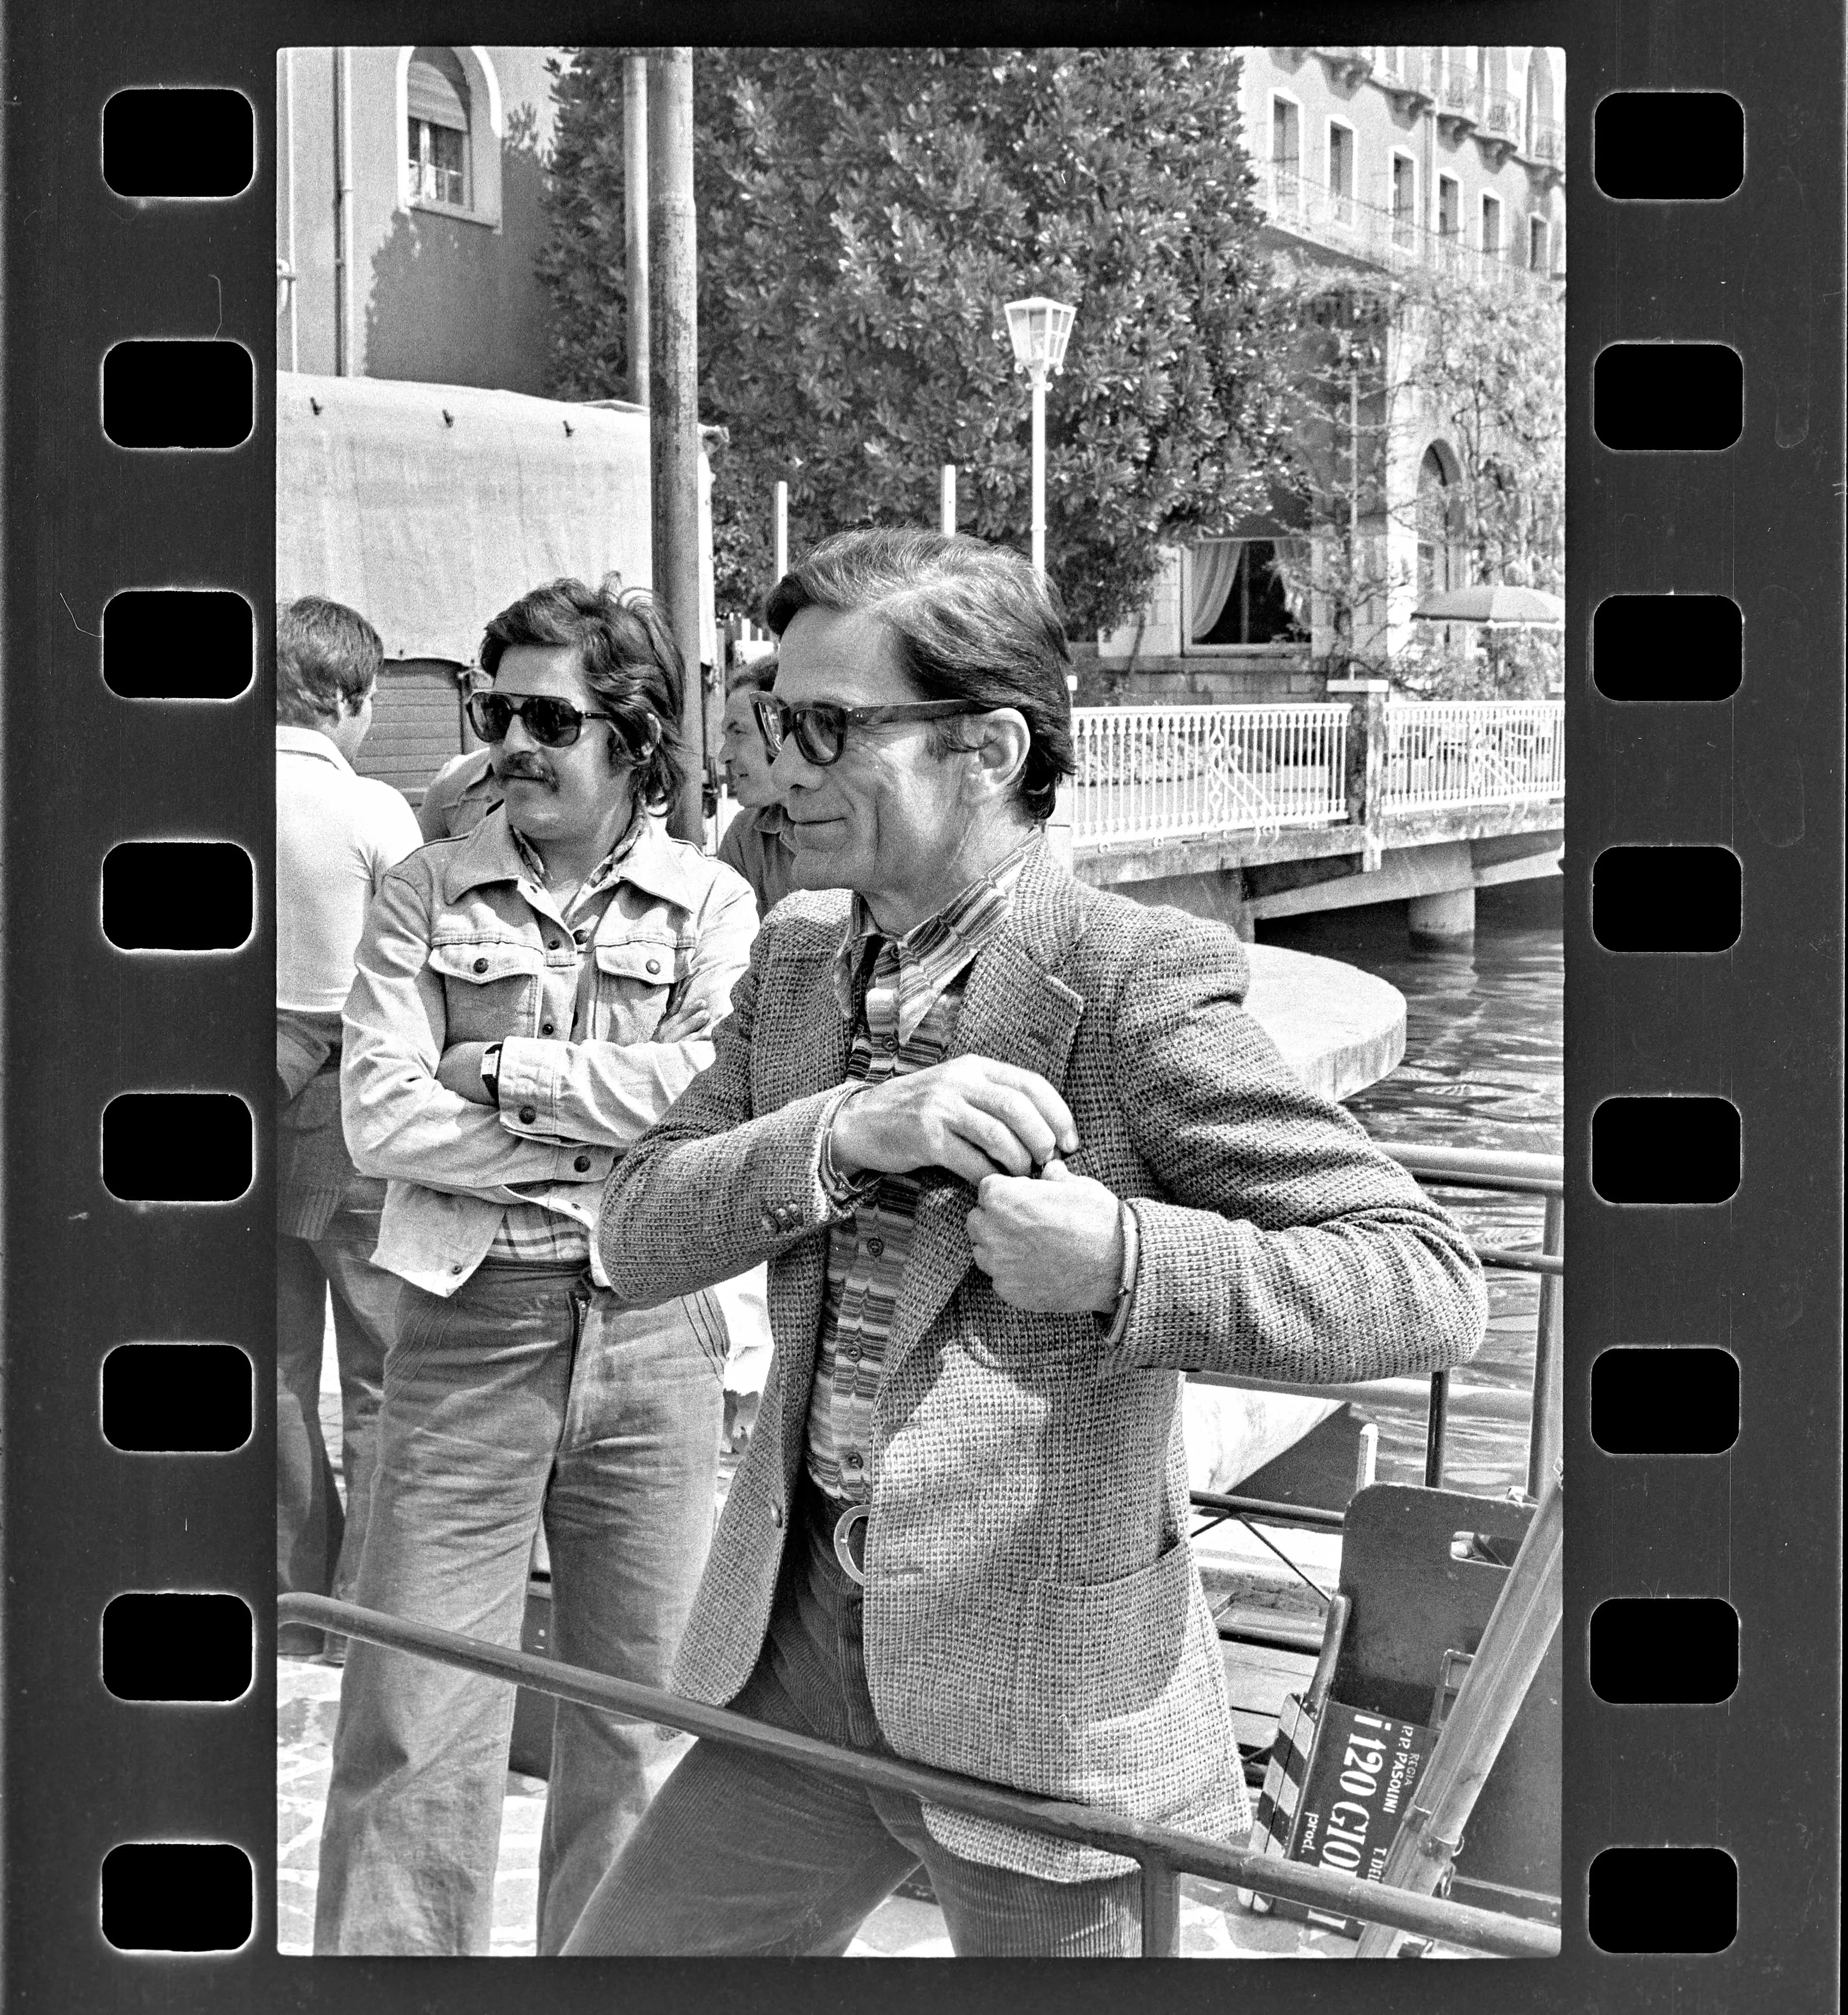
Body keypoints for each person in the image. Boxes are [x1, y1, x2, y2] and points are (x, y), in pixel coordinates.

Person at [563, 529, 1488, 1959]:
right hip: (798, 1662)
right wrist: (849, 1128)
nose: (768, 767)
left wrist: (1124, 1259)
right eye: (757, 717)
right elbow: (634, 1225)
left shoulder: (1126, 983)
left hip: (1045, 1713)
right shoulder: (804, 960)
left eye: (822, 726)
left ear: (987, 748)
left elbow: (1421, 1284)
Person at [314, 576, 758, 1957]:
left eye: (545, 714)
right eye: (489, 708)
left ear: (630, 730)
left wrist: (505, 1072)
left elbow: (721, 1108)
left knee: (640, 1722)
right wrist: (605, 1143)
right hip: (461, 1327)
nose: (510, 739)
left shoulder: (714, 903)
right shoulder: (419, 889)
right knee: (415, 1716)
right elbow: (380, 1115)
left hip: (658, 1331)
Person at [274, 596, 423, 1662]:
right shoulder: (374, 812)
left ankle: (289, 1593)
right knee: (381, 1372)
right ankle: (359, 1623)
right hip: (357, 1107)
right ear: (349, 698)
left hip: (245, 1107)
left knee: (274, 1369)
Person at [716, 653, 800, 913]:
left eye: (738, 732)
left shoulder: (853, 822)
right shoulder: (745, 838)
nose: (724, 756)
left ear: (781, 731)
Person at [416, 739, 498, 842]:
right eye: (499, 724)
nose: (513, 744)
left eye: (525, 724)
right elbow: (426, 852)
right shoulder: (452, 780)